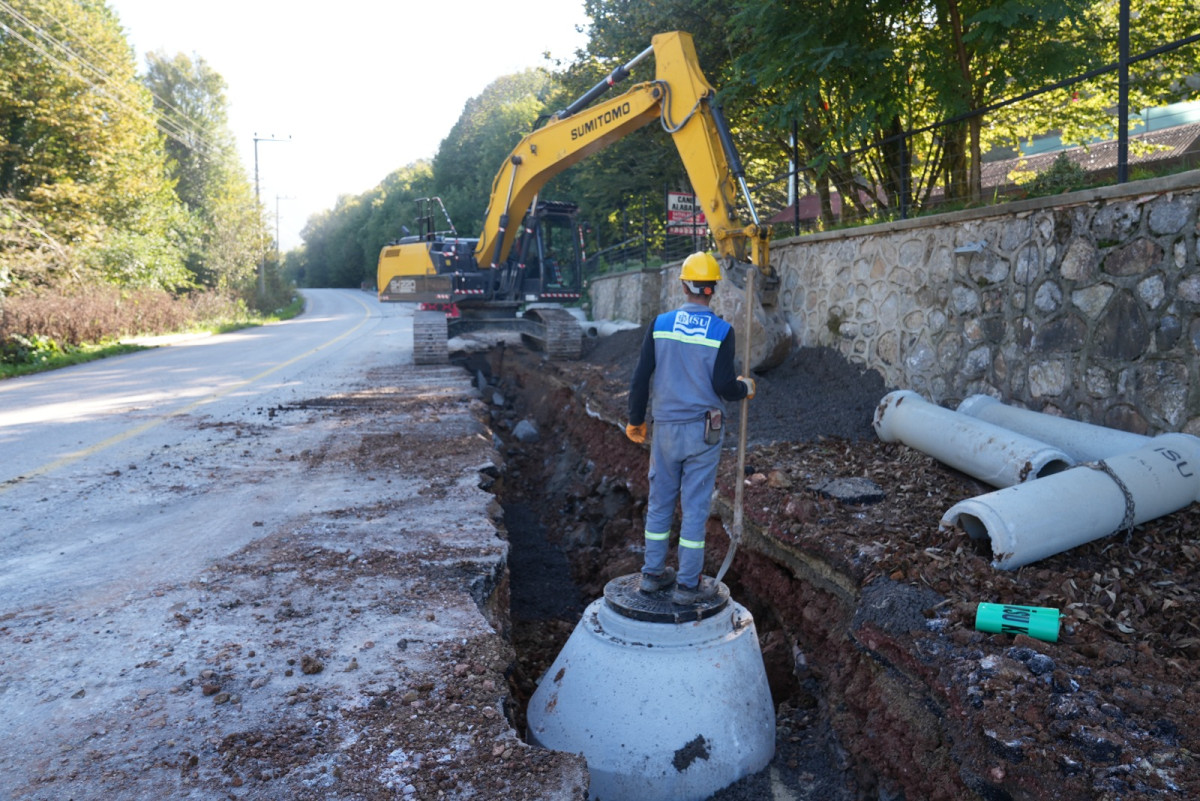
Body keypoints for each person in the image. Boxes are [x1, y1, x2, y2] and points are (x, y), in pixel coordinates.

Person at [625, 251, 756, 605]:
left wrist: (636, 419)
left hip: (665, 430)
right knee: (695, 507)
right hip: (703, 432)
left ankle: (652, 575)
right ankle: (687, 584)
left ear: (683, 285)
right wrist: (746, 387)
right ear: (713, 288)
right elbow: (725, 387)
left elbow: (640, 378)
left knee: (660, 502)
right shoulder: (722, 331)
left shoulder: (661, 323)